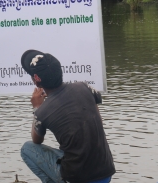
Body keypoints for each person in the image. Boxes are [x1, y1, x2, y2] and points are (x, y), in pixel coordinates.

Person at [19, 50, 115, 183]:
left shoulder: (43, 111)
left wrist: (37, 108)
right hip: (105, 172)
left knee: (27, 149)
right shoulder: (84, 87)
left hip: (78, 179)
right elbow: (98, 120)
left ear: (36, 81)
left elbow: (37, 141)